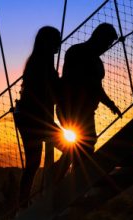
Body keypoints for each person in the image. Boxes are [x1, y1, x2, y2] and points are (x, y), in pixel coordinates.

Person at [14, 26, 61, 208]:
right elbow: (45, 91)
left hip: (27, 116)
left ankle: (23, 203)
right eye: (56, 41)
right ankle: (54, 182)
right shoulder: (41, 63)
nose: (59, 45)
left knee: (33, 164)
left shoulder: (37, 61)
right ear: (47, 42)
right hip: (34, 118)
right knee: (72, 149)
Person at [58, 23, 122, 157]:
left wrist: (110, 104)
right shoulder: (79, 53)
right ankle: (69, 175)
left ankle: (60, 174)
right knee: (86, 146)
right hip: (73, 110)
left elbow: (96, 88)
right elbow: (85, 84)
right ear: (100, 38)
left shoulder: (81, 54)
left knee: (80, 149)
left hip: (83, 111)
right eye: (108, 43)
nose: (108, 47)